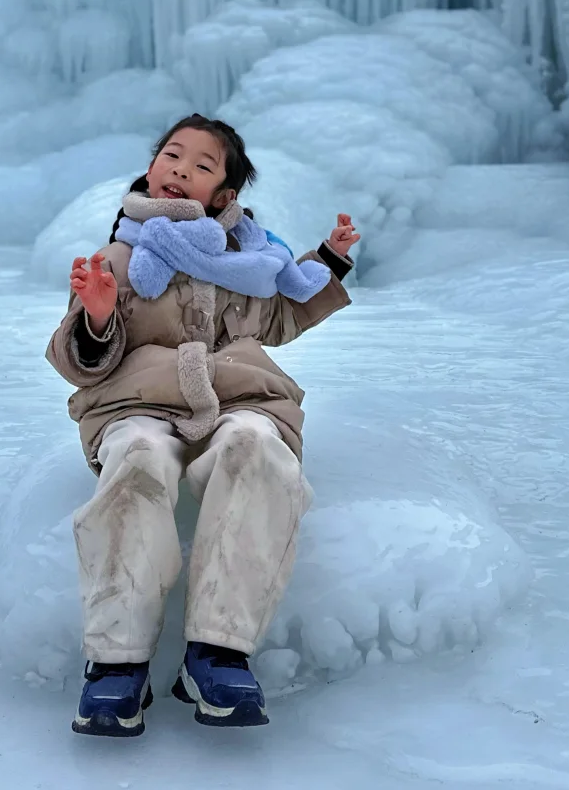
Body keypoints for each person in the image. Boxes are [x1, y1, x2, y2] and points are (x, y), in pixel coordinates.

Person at [45, 113, 360, 737]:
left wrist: (329, 261)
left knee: (259, 451)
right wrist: (100, 318)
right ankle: (116, 661)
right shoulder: (119, 258)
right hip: (136, 402)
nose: (181, 169)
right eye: (172, 155)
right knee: (136, 460)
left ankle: (217, 650)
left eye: (202, 165)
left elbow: (280, 321)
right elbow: (79, 361)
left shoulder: (251, 261)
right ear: (152, 167)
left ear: (225, 196)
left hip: (240, 398)